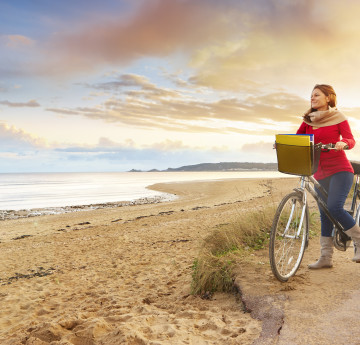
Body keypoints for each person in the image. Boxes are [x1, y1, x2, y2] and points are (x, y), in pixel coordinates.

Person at [296, 84, 360, 269]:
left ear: (328, 98)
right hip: (319, 173)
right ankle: (326, 258)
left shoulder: (338, 117)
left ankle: (358, 242)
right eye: (311, 95)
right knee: (324, 214)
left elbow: (350, 139)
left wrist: (342, 143)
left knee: (334, 207)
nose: (312, 98)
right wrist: (282, 143)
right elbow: (298, 137)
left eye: (316, 95)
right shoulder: (308, 120)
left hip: (340, 170)